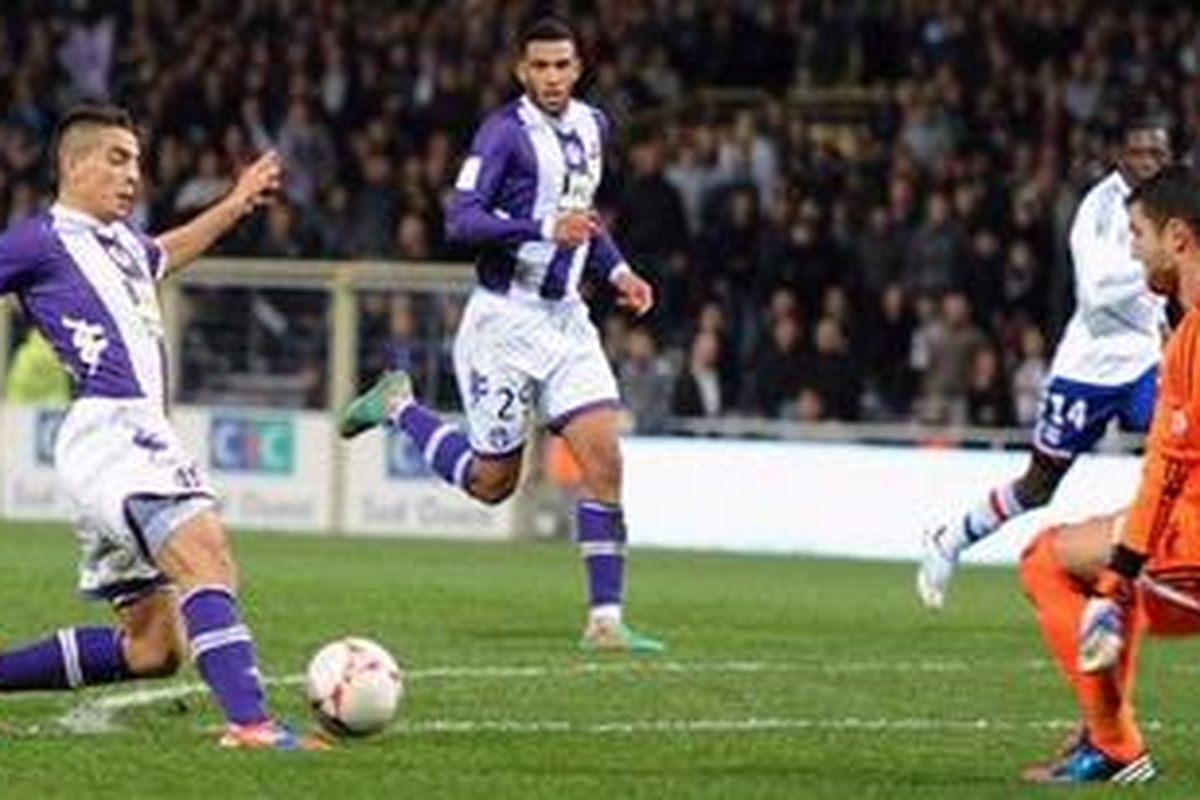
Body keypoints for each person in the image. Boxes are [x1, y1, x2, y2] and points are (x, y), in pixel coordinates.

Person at [0, 104, 323, 750]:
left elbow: (167, 251)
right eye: (117, 159)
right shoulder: (41, 239)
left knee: (153, 648)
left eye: (138, 162)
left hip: (123, 438)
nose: (133, 176)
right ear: (72, 164)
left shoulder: (122, 245)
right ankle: (252, 725)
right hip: (113, 425)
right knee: (206, 554)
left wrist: (234, 203)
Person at [338, 17, 664, 653]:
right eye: (539, 67)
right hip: (502, 325)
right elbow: (459, 220)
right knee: (493, 484)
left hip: (567, 320)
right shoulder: (503, 134)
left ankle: (605, 620)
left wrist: (619, 270)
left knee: (605, 458)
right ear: (522, 70)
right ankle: (399, 405)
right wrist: (543, 229)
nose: (551, 77)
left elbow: (584, 221)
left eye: (562, 65)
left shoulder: (594, 127)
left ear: (579, 67)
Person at [917, 118, 1172, 610]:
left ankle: (1144, 567)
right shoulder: (1098, 209)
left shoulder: (1172, 203)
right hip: (1087, 373)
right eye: (1141, 152)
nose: (1151, 162)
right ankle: (949, 539)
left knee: (1182, 449)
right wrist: (1152, 268)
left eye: (1159, 153)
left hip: (1145, 362)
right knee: (1038, 487)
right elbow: (1095, 293)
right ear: (1121, 155)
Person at [1017, 164, 1200, 784]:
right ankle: (1105, 731)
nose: (1130, 249)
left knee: (1044, 559)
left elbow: (1168, 468)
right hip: (1181, 530)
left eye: (1137, 234)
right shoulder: (1178, 326)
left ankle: (1113, 743)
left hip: (1193, 544)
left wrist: (1116, 578)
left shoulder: (1191, 338)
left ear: (1177, 237)